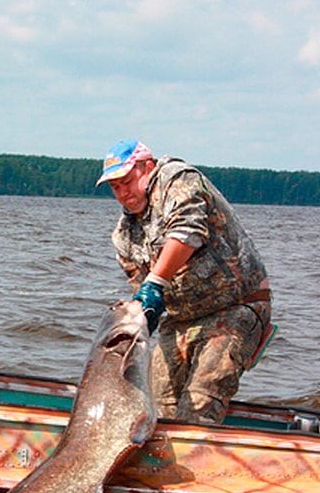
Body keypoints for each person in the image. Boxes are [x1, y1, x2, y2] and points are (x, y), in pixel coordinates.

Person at [97, 139, 272, 424]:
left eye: (127, 181)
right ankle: (158, 466)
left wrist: (155, 282)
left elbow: (187, 231)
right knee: (154, 408)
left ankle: (198, 459)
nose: (122, 192)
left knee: (200, 403)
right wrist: (141, 318)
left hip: (236, 309)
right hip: (181, 320)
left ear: (148, 167)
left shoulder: (177, 180)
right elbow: (142, 292)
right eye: (115, 187)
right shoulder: (124, 235)